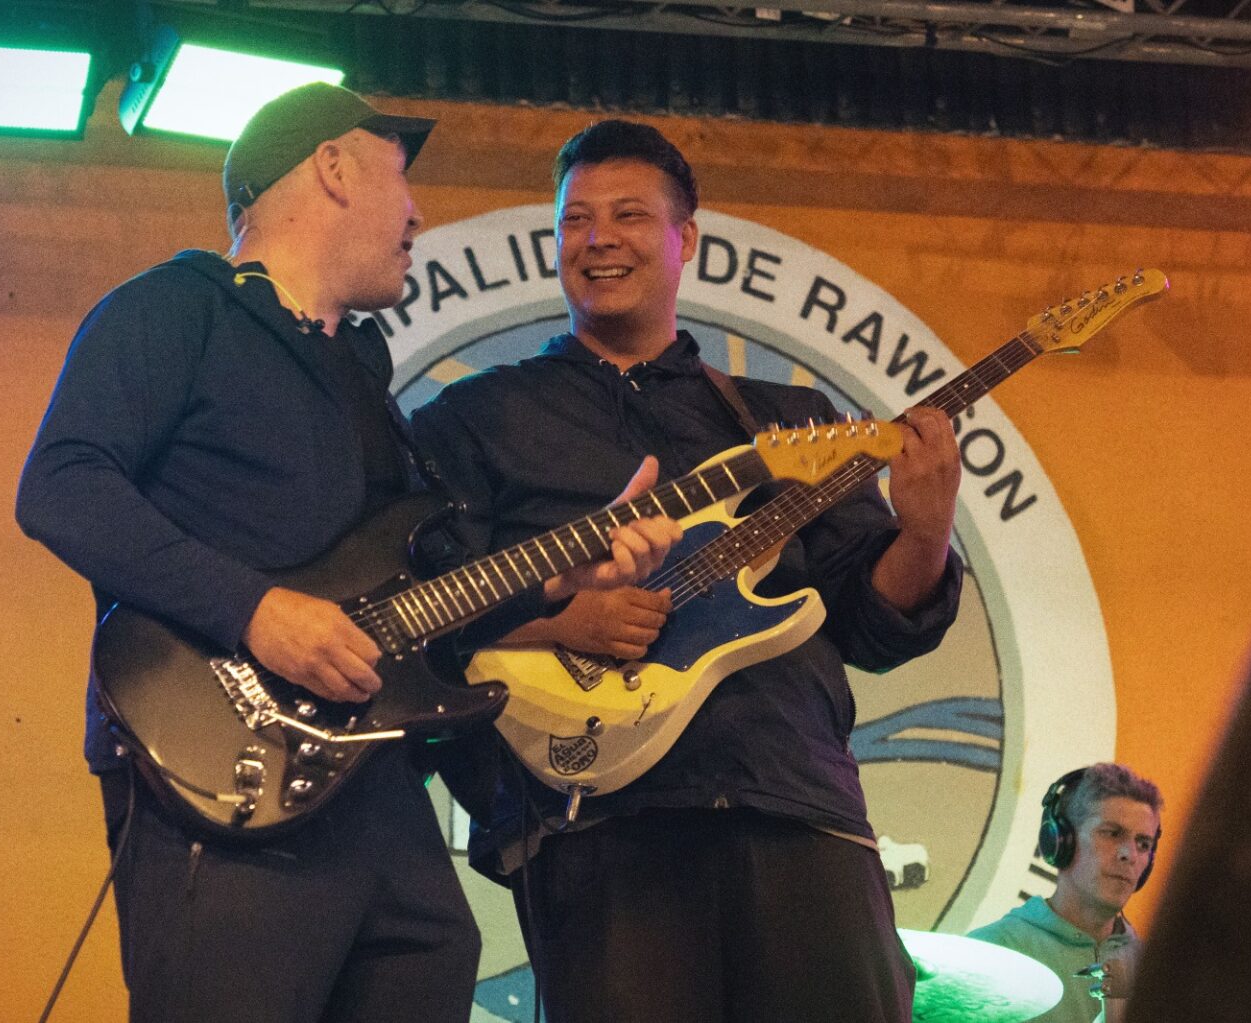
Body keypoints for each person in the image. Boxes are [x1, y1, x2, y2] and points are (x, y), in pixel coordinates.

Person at [15, 84, 679, 1023]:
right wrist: (256, 611)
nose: (418, 215)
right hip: (221, 770)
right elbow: (61, 485)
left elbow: (416, 598)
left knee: (436, 950)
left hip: (373, 784)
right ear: (332, 166)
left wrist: (563, 574)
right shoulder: (175, 307)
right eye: (401, 179)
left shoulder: (361, 378)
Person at [410, 119, 964, 1023]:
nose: (599, 238)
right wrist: (561, 622)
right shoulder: (474, 418)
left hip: (800, 806)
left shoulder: (788, 419)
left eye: (629, 214)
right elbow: (421, 610)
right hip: (597, 826)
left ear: (686, 241)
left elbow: (871, 620)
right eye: (575, 219)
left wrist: (927, 532)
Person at [969, 763, 1164, 1023]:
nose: (1130, 854)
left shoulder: (1158, 969)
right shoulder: (989, 954)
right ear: (1059, 840)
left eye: (1143, 843)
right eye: (1112, 833)